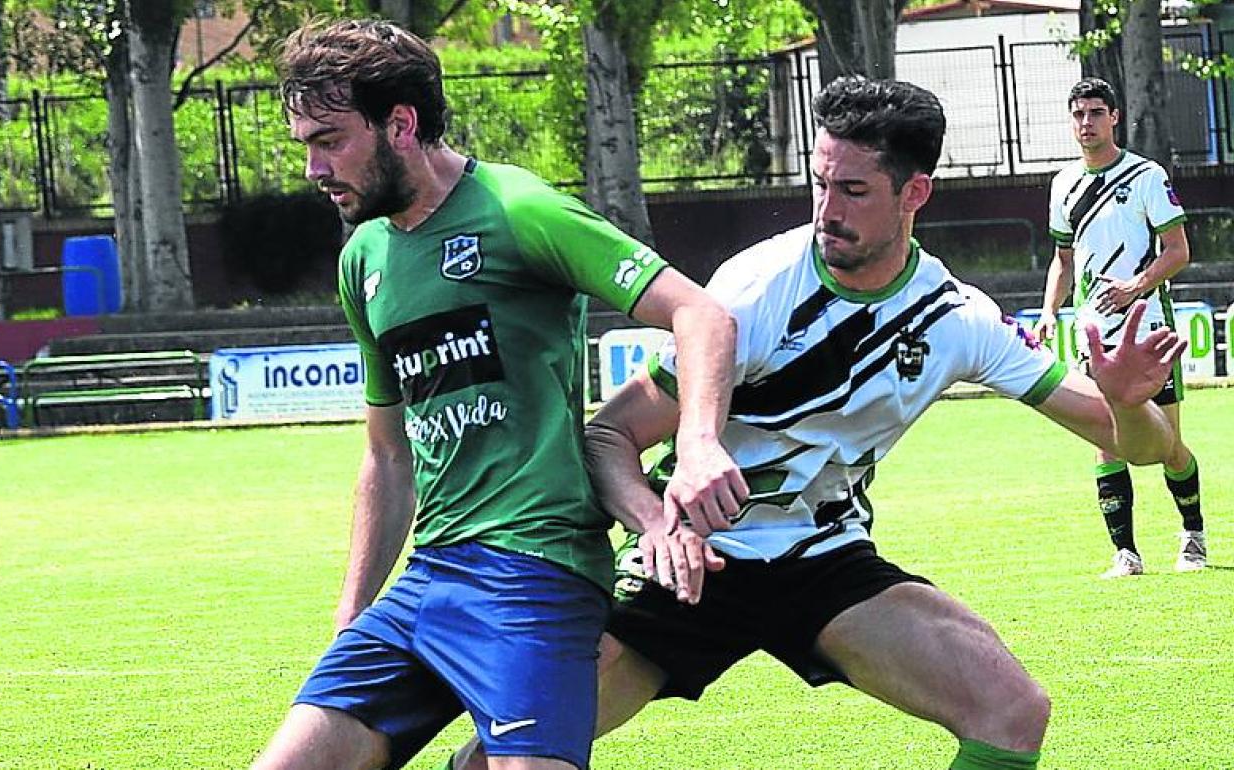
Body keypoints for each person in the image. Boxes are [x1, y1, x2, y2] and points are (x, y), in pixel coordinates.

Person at [452, 76, 1186, 770]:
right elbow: (610, 434)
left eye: (853, 190)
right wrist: (654, 525)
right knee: (504, 756)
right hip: (693, 565)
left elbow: (1143, 449)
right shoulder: (749, 292)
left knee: (1012, 712)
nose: (826, 209)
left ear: (915, 193)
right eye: (820, 182)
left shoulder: (959, 319)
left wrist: (1126, 404)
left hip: (822, 563)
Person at [252, 19, 748, 770]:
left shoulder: (520, 210)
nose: (315, 168)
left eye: (330, 140)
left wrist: (697, 443)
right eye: (306, 146)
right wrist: (353, 615)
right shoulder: (364, 258)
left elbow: (700, 313)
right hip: (426, 584)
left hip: (533, 576)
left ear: (401, 124)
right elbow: (388, 457)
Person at [1035, 77, 1206, 578]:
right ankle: (1125, 552)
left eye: (1095, 113)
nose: (1085, 123)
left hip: (1151, 328)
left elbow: (1178, 251)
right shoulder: (1063, 184)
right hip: (1095, 333)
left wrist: (1136, 286)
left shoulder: (1146, 176)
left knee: (1167, 445)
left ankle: (1192, 536)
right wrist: (1049, 311)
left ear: (1114, 117)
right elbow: (1062, 260)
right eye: (1078, 115)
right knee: (1106, 441)